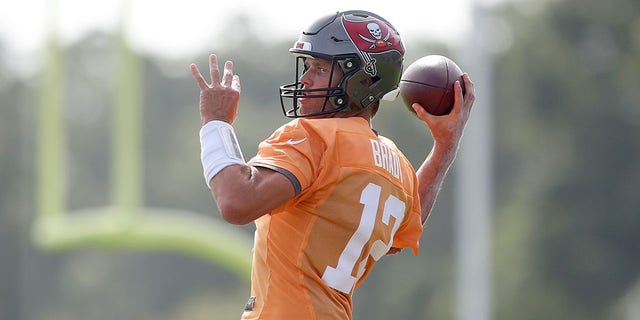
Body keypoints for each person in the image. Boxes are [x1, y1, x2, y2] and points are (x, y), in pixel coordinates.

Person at [190, 10, 474, 320]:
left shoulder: (315, 136)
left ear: (364, 81)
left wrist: (216, 122)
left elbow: (236, 201)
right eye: (308, 65)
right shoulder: (397, 165)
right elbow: (397, 233)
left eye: (321, 68)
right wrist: (445, 148)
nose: (305, 78)